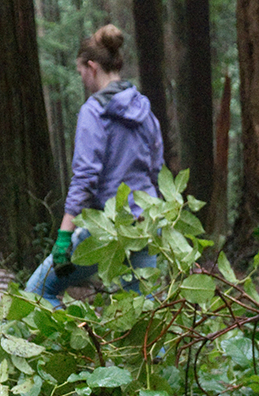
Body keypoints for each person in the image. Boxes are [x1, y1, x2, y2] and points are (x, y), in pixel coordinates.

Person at [26, 25, 165, 308]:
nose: (83, 79)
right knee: (145, 317)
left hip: (111, 228)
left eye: (80, 72)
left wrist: (64, 237)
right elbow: (156, 169)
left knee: (37, 292)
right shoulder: (145, 109)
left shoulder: (94, 111)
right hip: (147, 222)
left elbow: (85, 178)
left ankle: (76, 351)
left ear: (91, 67)